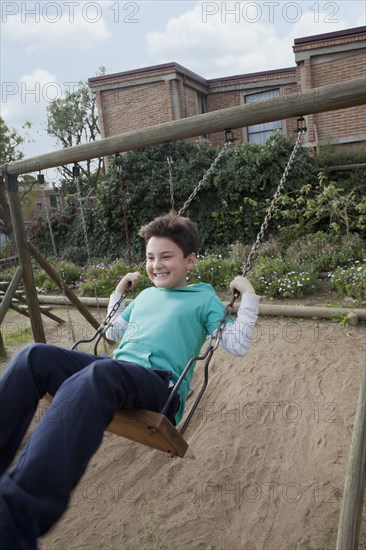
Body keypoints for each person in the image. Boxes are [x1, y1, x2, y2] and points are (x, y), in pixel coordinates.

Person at [0, 213, 259, 549]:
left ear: (190, 260)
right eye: (151, 257)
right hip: (117, 373)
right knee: (34, 357)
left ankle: (16, 517)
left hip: (159, 386)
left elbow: (236, 343)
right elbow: (111, 332)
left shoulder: (204, 299)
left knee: (100, 373)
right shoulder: (146, 297)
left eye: (166, 256)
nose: (156, 265)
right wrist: (119, 293)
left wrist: (248, 296)